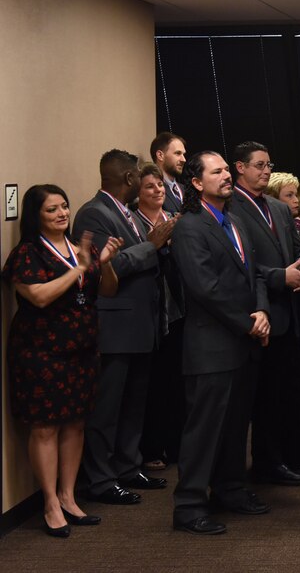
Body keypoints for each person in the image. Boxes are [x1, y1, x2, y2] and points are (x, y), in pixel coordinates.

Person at [2, 185, 122, 537]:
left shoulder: (79, 248)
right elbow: (38, 296)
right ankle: (50, 503)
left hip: (82, 350)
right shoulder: (27, 253)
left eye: (64, 206)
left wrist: (105, 265)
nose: (61, 214)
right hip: (40, 352)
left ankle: (69, 498)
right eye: (51, 209)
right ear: (35, 216)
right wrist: (79, 269)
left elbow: (108, 289)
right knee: (45, 427)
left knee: (75, 423)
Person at [170, 151, 271, 535]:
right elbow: (205, 289)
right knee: (204, 430)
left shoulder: (235, 220)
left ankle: (229, 489)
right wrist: (248, 323)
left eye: (228, 170)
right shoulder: (190, 227)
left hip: (244, 341)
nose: (227, 176)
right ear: (197, 183)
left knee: (234, 427)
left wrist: (261, 311)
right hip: (211, 347)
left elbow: (256, 274)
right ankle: (189, 506)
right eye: (218, 172)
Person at [73, 150, 174, 504]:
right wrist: (152, 245)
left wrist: (158, 246)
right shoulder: (93, 213)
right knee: (108, 407)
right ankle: (101, 479)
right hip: (114, 325)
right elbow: (104, 268)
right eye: (137, 177)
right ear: (130, 179)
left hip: (140, 324)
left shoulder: (127, 212)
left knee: (134, 403)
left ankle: (129, 467)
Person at [229, 141, 300, 486]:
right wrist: (282, 276)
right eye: (259, 165)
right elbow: (240, 264)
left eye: (268, 165)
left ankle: (286, 457)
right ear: (240, 168)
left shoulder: (278, 208)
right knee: (262, 399)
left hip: (289, 311)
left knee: (287, 392)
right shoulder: (230, 207)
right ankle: (265, 462)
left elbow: (294, 250)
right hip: (257, 315)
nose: (265, 171)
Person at [133, 164, 186, 473]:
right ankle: (153, 447)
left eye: (160, 186)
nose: (158, 190)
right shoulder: (135, 223)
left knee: (176, 382)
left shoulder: (175, 220)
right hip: (151, 310)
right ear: (137, 192)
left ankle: (177, 444)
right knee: (153, 385)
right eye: (150, 186)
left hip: (178, 308)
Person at [150, 132, 187, 215]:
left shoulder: (186, 190)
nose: (183, 159)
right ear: (160, 155)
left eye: (183, 154)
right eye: (178, 153)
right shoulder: (151, 191)